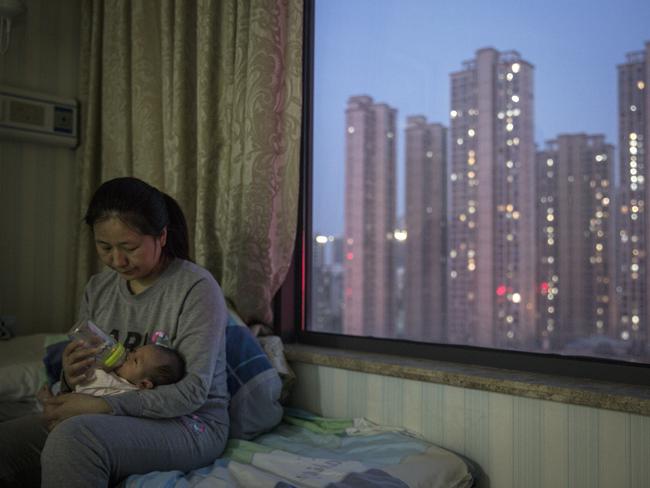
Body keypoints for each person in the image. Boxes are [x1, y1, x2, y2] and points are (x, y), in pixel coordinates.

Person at [0, 177, 230, 487]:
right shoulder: (99, 289)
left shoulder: (196, 289)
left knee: (75, 439)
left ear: (161, 236)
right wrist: (70, 378)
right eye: (104, 247)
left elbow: (192, 393)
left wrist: (104, 406)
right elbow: (93, 374)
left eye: (129, 248)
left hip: (188, 423)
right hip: (108, 409)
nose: (117, 260)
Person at [39, 344, 187, 399]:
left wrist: (52, 401)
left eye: (135, 361)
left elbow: (84, 392)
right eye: (133, 351)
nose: (128, 355)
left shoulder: (122, 392)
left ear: (143, 384)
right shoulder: (119, 376)